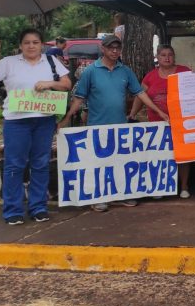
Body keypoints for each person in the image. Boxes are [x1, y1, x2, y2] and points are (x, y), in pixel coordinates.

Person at [60, 35, 168, 212]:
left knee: (120, 163)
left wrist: (159, 112)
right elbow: (79, 99)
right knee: (98, 165)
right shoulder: (90, 71)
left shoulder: (125, 71)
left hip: (120, 127)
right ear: (103, 48)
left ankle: (123, 195)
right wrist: (65, 120)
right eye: (111, 48)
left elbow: (140, 93)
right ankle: (99, 198)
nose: (115, 51)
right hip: (97, 126)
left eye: (118, 48)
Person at [0, 30, 72, 225]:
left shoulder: (51, 61)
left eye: (35, 42)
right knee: (14, 166)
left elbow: (67, 84)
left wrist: (49, 83)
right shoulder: (9, 62)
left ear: (41, 44)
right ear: (20, 45)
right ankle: (13, 210)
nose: (31, 46)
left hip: (44, 120)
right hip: (16, 122)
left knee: (40, 164)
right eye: (26, 42)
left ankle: (38, 208)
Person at [128, 45, 193, 198]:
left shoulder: (184, 71)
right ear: (157, 57)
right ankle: (160, 186)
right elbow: (140, 96)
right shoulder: (150, 76)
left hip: (180, 122)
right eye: (163, 55)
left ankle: (184, 186)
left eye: (170, 54)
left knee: (182, 155)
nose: (167, 57)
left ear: (174, 56)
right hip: (156, 123)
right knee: (159, 156)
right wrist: (131, 114)